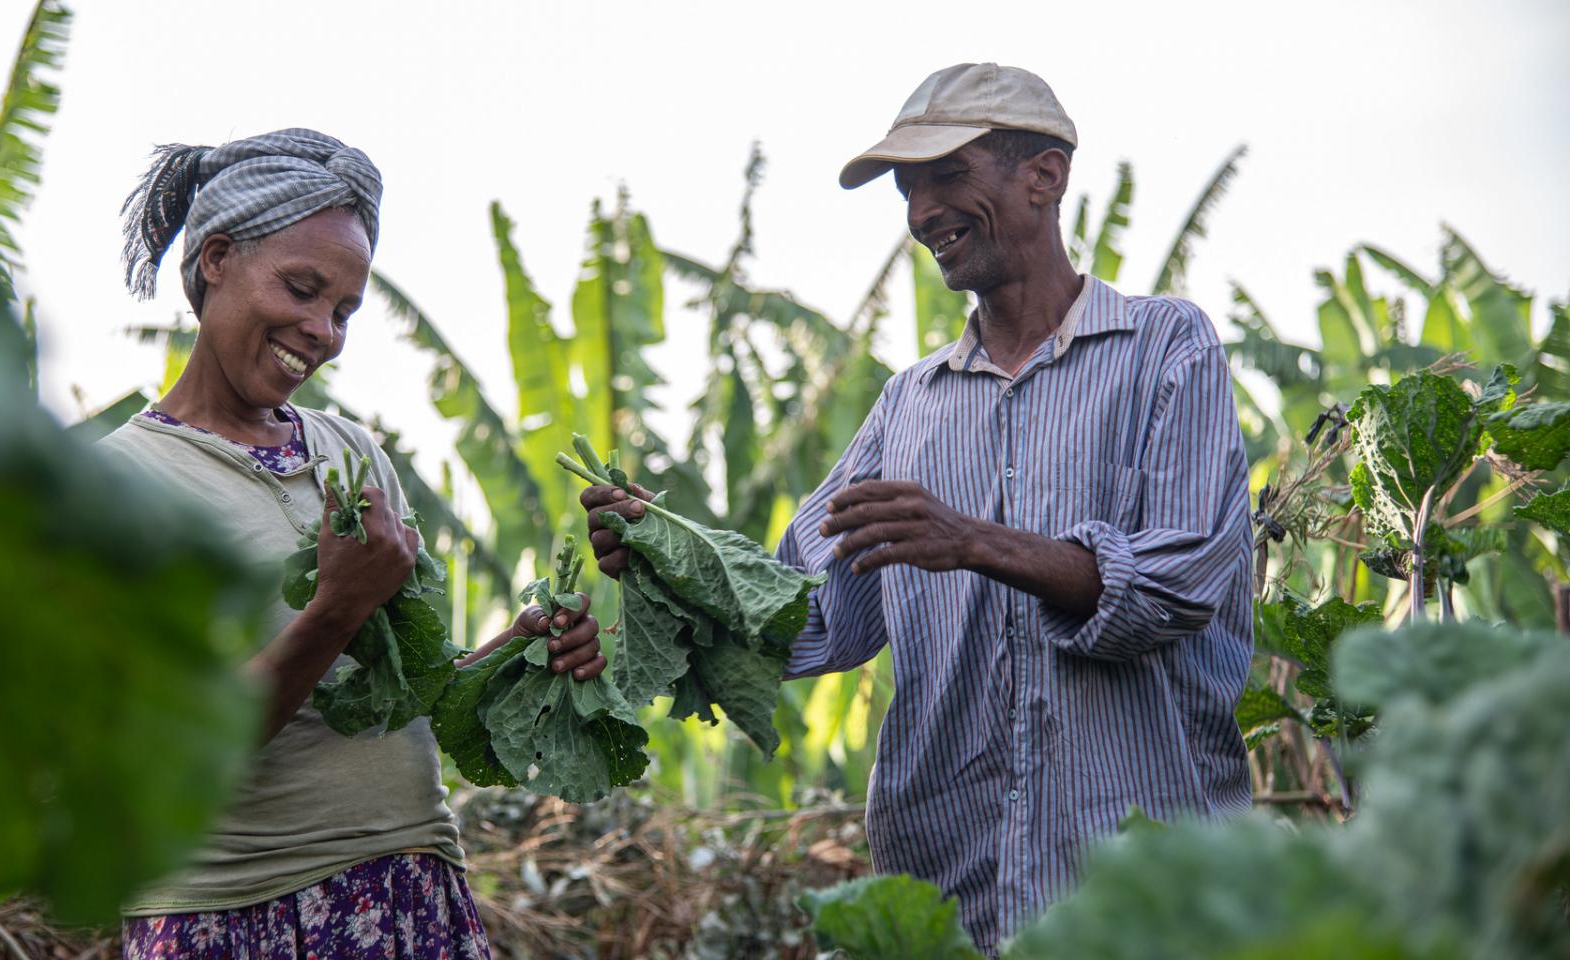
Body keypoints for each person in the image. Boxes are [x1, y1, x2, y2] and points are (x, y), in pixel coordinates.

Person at [583, 64, 1253, 950]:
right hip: (952, 891)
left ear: (1043, 177)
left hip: (1147, 894)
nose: (922, 212)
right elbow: (809, 615)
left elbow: (1176, 586)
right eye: (908, 190)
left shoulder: (1165, 348)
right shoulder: (911, 405)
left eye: (948, 176)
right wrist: (668, 573)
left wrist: (971, 540)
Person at [99, 128, 606, 960]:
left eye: (343, 311)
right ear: (217, 258)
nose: (322, 331)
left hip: (408, 891)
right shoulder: (118, 486)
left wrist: (519, 653)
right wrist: (335, 607)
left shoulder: (350, 453)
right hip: (234, 916)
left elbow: (400, 697)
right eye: (301, 289)